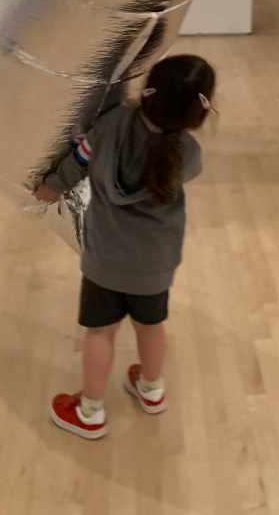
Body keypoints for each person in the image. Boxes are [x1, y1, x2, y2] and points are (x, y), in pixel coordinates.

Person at [33, 53, 217, 439]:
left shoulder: (111, 124)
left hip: (105, 260)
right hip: (156, 265)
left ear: (148, 91)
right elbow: (182, 169)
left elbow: (78, 162)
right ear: (197, 113)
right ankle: (152, 390)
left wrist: (51, 187)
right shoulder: (188, 152)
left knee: (101, 333)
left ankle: (90, 412)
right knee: (151, 327)